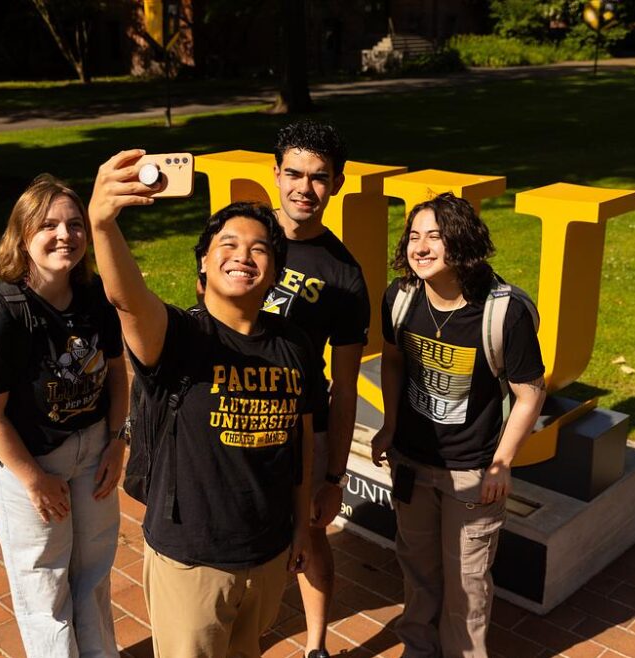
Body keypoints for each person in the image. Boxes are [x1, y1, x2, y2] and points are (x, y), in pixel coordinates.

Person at [87, 149, 318, 658]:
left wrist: (300, 527)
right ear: (204, 262)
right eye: (228, 244)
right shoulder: (179, 336)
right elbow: (127, 299)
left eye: (260, 249)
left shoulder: (293, 343)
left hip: (268, 549)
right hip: (192, 560)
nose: (244, 255)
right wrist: (102, 225)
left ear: (276, 271)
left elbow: (298, 446)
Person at [371, 192, 546, 658]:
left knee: (467, 583)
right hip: (411, 460)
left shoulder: (501, 312)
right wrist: (389, 425)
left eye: (435, 237)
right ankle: (418, 650)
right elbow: (392, 361)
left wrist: (501, 464)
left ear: (462, 244)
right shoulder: (400, 297)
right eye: (414, 236)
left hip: (472, 472)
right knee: (417, 568)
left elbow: (531, 393)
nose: (420, 247)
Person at [0, 174, 128, 658]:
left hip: (95, 446)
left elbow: (118, 373)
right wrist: (33, 479)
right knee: (44, 587)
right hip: (31, 460)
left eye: (75, 224)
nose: (65, 235)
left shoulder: (93, 295)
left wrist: (118, 440)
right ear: (22, 236)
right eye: (49, 225)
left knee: (94, 574)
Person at [265, 120, 369, 658]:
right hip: (232, 413)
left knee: (311, 533)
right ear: (275, 173)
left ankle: (316, 645)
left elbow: (346, 388)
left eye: (319, 177)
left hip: (306, 429)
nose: (305, 188)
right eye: (295, 174)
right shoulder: (240, 235)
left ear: (339, 183)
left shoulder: (345, 276)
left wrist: (334, 475)